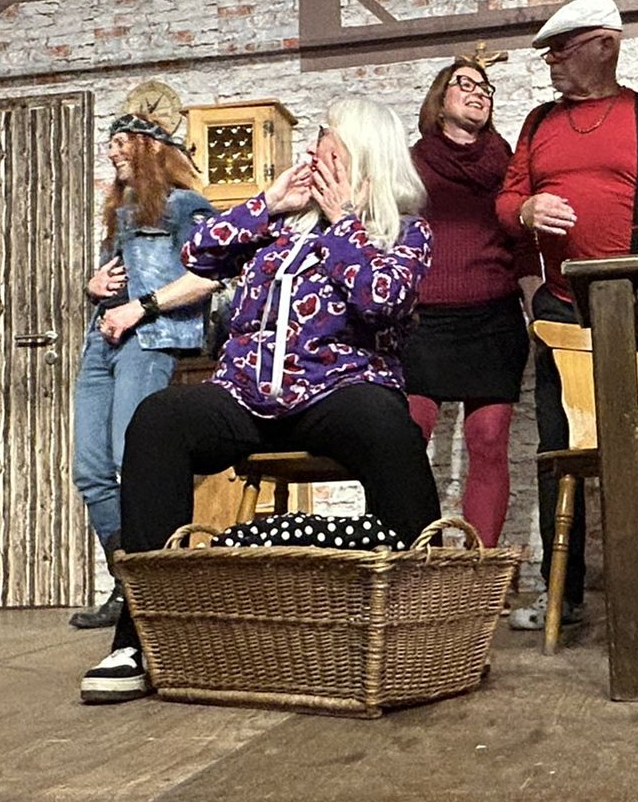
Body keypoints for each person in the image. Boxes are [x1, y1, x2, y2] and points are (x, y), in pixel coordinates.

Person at [79, 98, 442, 703]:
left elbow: (382, 301)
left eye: (325, 136)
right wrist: (268, 204)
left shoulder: (402, 231)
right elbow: (197, 254)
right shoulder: (280, 226)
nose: (313, 148)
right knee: (160, 418)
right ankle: (142, 635)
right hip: (246, 396)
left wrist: (343, 223)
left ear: (360, 152)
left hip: (339, 392)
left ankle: (424, 618)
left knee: (386, 423)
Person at [494, 0, 638, 631]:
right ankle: (566, 593)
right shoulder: (537, 122)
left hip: (636, 311)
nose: (551, 60)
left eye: (562, 48)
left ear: (604, 45)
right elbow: (508, 200)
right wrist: (526, 211)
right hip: (559, 309)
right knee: (557, 451)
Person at [64, 112, 215, 629]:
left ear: (152, 147)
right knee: (90, 469)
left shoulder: (186, 205)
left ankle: (154, 590)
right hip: (101, 341)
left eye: (121, 142)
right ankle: (127, 585)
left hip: (148, 342)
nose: (111, 152)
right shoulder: (122, 210)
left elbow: (208, 276)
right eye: (109, 144)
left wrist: (139, 307)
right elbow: (116, 277)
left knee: (132, 460)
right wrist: (93, 286)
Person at [401, 58, 527, 548]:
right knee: (409, 436)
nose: (479, 92)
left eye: (486, 87)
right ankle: (420, 564)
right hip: (424, 320)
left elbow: (520, 236)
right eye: (465, 84)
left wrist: (533, 297)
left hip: (493, 316)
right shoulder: (409, 163)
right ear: (439, 100)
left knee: (489, 441)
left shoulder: (508, 162)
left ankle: (481, 570)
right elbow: (388, 233)